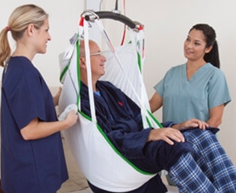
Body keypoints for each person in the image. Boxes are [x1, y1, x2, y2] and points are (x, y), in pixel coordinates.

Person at [79, 40, 236, 193]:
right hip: (123, 154)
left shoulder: (109, 89)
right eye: (98, 54)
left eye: (196, 43)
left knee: (201, 134)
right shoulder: (84, 102)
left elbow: (141, 117)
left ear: (208, 48)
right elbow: (106, 141)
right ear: (83, 62)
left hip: (142, 139)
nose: (104, 58)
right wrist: (151, 134)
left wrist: (176, 127)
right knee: (172, 146)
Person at [0, 4, 78, 193]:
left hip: (27, 175)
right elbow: (29, 131)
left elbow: (26, 107)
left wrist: (55, 99)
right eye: (46, 30)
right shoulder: (23, 72)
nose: (49, 37)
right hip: (32, 178)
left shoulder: (16, 67)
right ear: (31, 29)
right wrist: (66, 123)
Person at [149, 23, 231, 127]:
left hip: (197, 141)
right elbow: (150, 106)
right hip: (170, 141)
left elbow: (215, 120)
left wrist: (193, 139)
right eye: (188, 39)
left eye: (196, 43)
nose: (189, 46)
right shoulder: (172, 73)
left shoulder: (215, 76)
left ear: (208, 48)